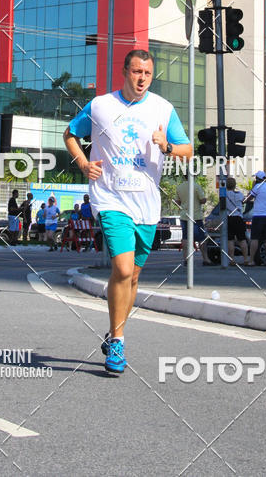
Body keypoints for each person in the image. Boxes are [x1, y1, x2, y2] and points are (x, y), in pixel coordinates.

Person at [64, 49, 192, 376]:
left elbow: (188, 151)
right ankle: (118, 341)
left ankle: (114, 330)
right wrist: (82, 162)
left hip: (147, 206)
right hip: (110, 200)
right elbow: (70, 133)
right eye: (136, 72)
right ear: (124, 72)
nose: (141, 79)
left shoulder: (163, 109)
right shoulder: (101, 106)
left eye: (147, 74)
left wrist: (166, 146)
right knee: (122, 269)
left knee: (133, 276)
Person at [174, 177, 212, 266]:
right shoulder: (196, 186)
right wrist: (204, 199)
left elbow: (177, 201)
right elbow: (202, 200)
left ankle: (186, 259)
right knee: (201, 238)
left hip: (184, 216)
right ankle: (206, 259)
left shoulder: (179, 187)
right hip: (196, 216)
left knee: (185, 238)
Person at [246, 171, 266, 267]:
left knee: (255, 238)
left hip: (259, 215)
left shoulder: (257, 187)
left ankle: (251, 260)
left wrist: (252, 187)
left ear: (257, 179)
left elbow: (248, 199)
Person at [225, 177, 249, 266]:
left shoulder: (225, 194)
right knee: (242, 239)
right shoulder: (240, 194)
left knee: (230, 240)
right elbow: (243, 201)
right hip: (238, 218)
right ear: (235, 185)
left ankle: (232, 259)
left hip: (229, 217)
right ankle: (246, 259)